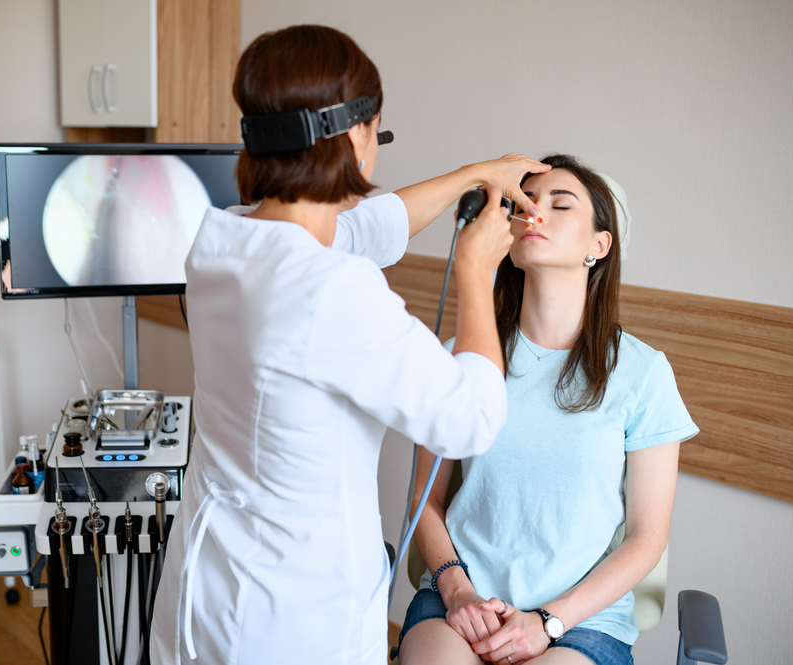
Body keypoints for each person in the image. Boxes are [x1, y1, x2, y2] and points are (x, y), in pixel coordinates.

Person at [149, 24, 550, 665]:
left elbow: (366, 228)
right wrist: (477, 273)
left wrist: (477, 174)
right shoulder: (330, 290)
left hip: (210, 579)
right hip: (291, 612)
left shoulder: (222, 240)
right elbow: (468, 420)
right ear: (355, 137)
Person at [397, 154, 699, 665]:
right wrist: (456, 590)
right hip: (462, 598)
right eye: (526, 204)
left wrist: (549, 621)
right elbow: (426, 502)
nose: (535, 214)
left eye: (561, 205)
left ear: (599, 246)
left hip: (581, 620)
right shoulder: (462, 356)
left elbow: (647, 539)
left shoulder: (643, 374)